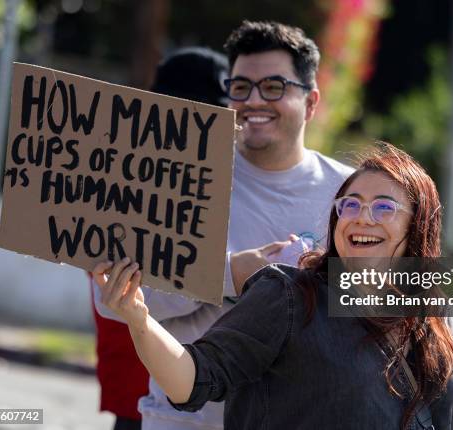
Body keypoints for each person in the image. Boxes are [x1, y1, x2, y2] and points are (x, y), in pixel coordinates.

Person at [94, 143, 453, 429]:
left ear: (417, 227)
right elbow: (193, 379)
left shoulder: (438, 315)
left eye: (384, 208)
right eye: (350, 205)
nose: (362, 218)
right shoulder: (288, 297)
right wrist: (139, 320)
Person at [94, 21, 354, 430]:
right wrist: (230, 273)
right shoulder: (175, 177)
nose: (253, 101)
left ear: (311, 102)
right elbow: (112, 296)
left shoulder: (351, 193)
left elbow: (395, 300)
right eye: (239, 87)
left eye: (273, 87)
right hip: (183, 419)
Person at [91, 46, 231, 430]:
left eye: (217, 118)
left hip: (191, 394)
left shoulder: (215, 181)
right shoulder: (126, 178)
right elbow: (113, 288)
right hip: (140, 391)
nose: (207, 130)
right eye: (197, 113)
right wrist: (233, 273)